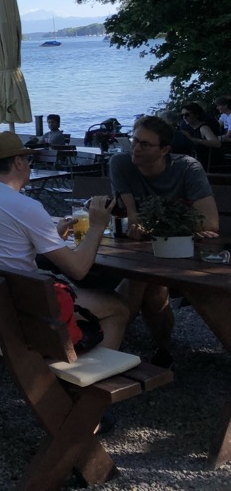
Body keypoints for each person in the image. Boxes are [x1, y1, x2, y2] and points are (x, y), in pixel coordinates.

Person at [0, 132, 128, 349]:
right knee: (118, 308)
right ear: (18, 162)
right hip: (15, 310)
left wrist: (50, 235)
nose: (29, 164)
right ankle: (97, 376)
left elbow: (3, 245)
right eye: (27, 159)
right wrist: (98, 225)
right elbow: (79, 270)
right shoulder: (26, 207)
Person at [109, 115, 219, 365]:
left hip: (184, 252)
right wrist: (167, 227)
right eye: (134, 140)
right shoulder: (120, 163)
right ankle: (160, 348)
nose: (135, 148)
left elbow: (210, 223)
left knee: (142, 280)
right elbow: (132, 215)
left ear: (165, 149)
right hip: (145, 251)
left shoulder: (187, 168)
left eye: (145, 144)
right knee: (146, 282)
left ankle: (108, 346)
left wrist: (152, 227)